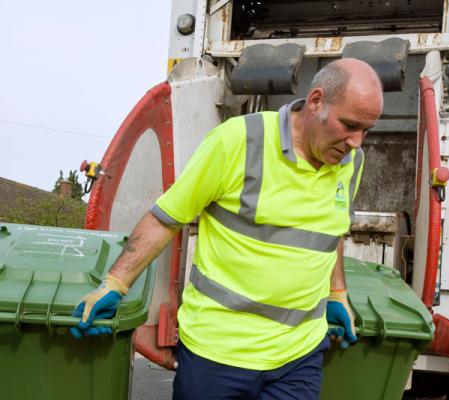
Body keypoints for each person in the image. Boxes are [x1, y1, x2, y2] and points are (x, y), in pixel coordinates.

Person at [70, 57, 384, 399]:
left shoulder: (350, 162)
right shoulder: (240, 141)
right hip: (217, 354)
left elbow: (330, 230)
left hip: (299, 355)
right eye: (350, 125)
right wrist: (115, 283)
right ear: (316, 101)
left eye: (366, 130)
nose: (357, 142)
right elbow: (167, 216)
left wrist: (337, 292)